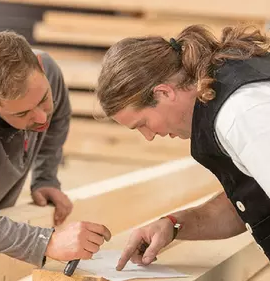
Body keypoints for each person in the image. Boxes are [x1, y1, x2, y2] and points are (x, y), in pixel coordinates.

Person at [95, 24, 270, 270]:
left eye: (143, 123)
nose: (149, 137)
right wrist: (173, 225)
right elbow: (251, 200)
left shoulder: (240, 113)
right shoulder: (224, 93)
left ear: (164, 93)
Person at [0, 31, 111, 267]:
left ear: (40, 66)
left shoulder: (48, 71)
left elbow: (58, 119)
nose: (42, 117)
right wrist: (46, 243)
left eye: (43, 99)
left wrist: (45, 177)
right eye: (22, 113)